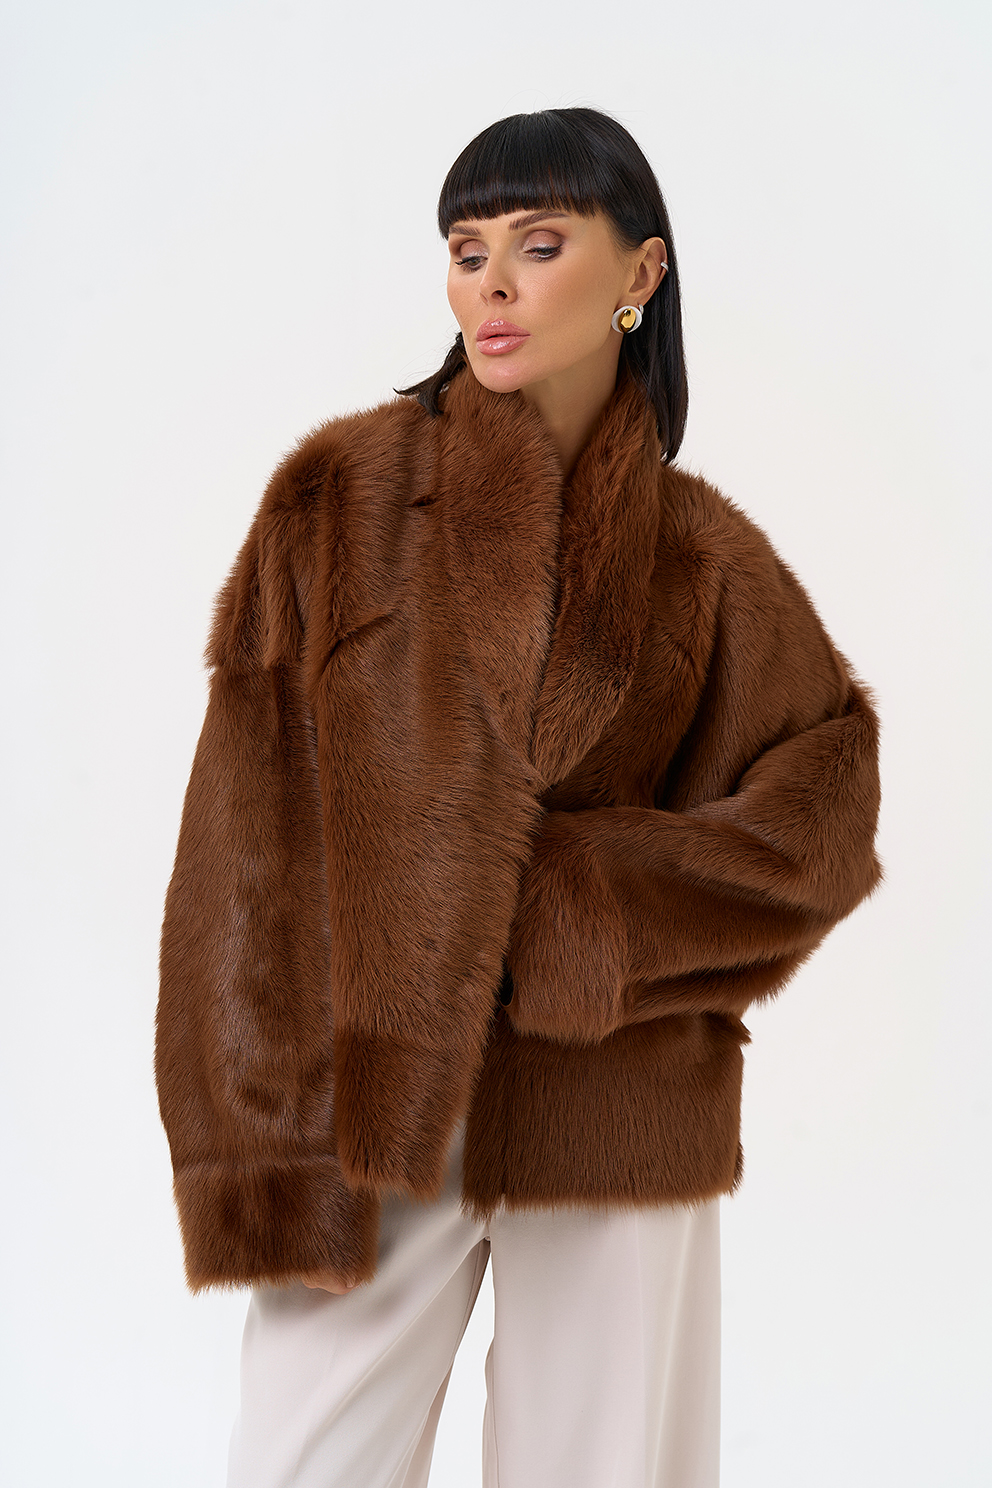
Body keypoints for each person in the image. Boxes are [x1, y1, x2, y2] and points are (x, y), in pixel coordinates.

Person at [155, 107, 882, 1488]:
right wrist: (247, 1147)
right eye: (467, 248)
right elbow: (240, 848)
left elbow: (825, 807)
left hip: (618, 1113)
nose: (490, 282)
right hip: (367, 1118)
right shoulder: (338, 504)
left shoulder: (705, 558)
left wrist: (594, 918)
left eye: (539, 245)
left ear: (640, 272)